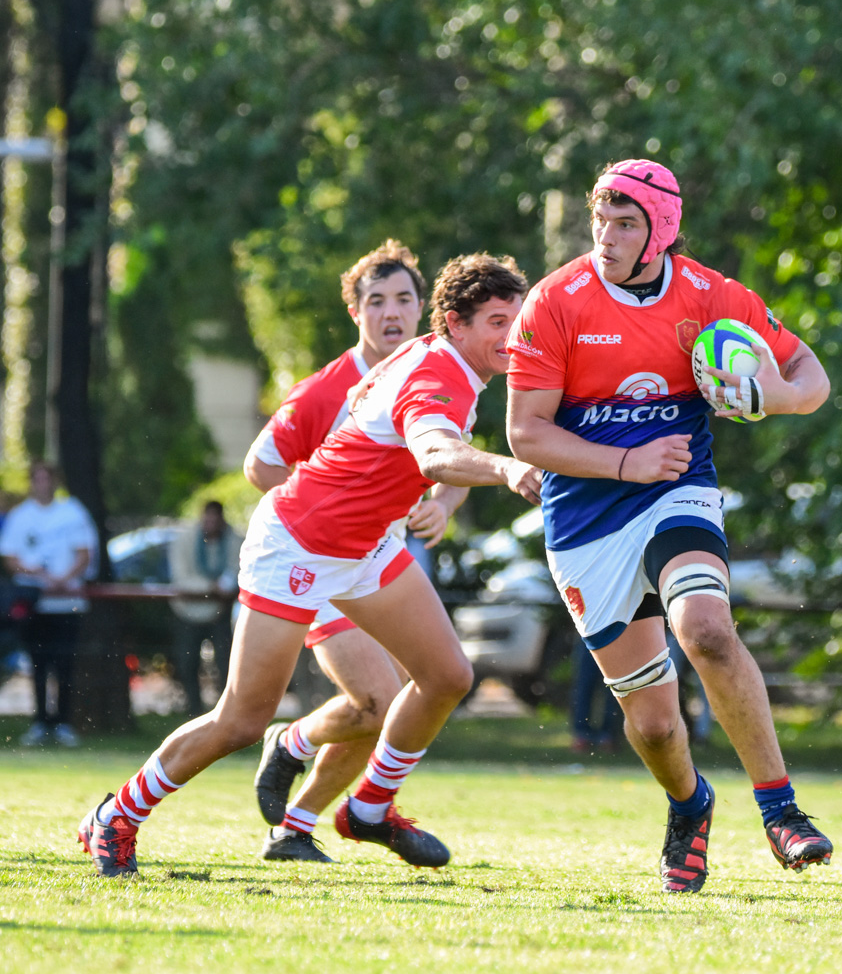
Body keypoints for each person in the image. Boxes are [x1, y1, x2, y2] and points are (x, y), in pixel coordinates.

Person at [77, 252, 541, 877]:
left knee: (447, 675)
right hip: (297, 544)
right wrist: (507, 468)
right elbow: (434, 452)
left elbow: (403, 434)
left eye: (518, 319)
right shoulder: (438, 375)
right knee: (242, 718)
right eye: (497, 322)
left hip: (367, 544)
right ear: (456, 324)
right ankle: (117, 816)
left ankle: (369, 808)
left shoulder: (442, 356)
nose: (513, 336)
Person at [506, 159, 834, 893]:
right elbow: (526, 434)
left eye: (626, 223)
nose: (608, 235)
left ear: (662, 230)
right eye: (601, 219)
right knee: (654, 727)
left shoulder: (710, 296)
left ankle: (780, 809)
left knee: (708, 630)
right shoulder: (555, 302)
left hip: (678, 492)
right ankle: (690, 806)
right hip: (585, 520)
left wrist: (763, 394)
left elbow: (810, 375)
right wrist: (626, 464)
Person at [241, 240, 468, 864]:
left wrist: (441, 506)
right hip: (312, 559)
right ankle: (297, 750)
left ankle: (300, 824)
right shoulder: (327, 389)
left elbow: (449, 461)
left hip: (378, 556)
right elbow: (259, 468)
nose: (391, 313)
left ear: (424, 307)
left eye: (404, 299)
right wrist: (329, 505)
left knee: (400, 699)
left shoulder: (439, 368)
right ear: (355, 312)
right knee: (377, 699)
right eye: (376, 301)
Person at [0, 461, 96, 747]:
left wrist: (62, 579)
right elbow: (11, 558)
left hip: (67, 602)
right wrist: (40, 576)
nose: (43, 484)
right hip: (34, 604)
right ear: (32, 482)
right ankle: (40, 722)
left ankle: (63, 723)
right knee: (38, 665)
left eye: (47, 478)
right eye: (37, 479)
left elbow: (84, 554)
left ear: (55, 481)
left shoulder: (73, 511)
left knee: (65, 665)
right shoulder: (20, 517)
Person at [168, 500, 242, 715]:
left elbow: (239, 570)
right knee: (187, 663)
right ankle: (194, 712)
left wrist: (221, 588)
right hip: (186, 612)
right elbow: (181, 579)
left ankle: (226, 713)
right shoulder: (185, 540)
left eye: (215, 519)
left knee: (226, 663)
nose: (210, 523)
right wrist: (213, 587)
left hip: (219, 613)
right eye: (207, 519)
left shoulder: (234, 541)